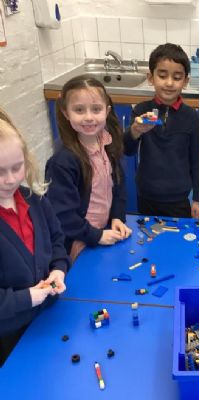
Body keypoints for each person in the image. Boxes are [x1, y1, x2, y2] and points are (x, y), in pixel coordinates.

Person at [0, 114, 70, 367]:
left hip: (47, 317)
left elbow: (57, 240)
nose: (10, 179)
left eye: (17, 167)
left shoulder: (35, 199)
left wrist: (59, 269)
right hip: (9, 336)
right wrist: (27, 297)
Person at [45, 75, 131, 262]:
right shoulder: (62, 162)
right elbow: (63, 215)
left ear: (107, 111)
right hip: (80, 240)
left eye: (96, 109)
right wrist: (96, 236)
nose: (89, 117)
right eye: (79, 110)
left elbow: (118, 184)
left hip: (105, 230)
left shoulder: (108, 143)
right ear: (66, 113)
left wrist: (117, 217)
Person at [124, 43, 199, 219]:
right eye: (162, 75)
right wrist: (135, 130)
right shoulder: (141, 111)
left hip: (179, 199)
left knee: (179, 236)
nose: (169, 83)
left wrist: (198, 198)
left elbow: (198, 161)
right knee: (148, 234)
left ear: (185, 82)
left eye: (177, 77)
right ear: (150, 78)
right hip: (147, 195)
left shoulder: (191, 117)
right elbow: (127, 149)